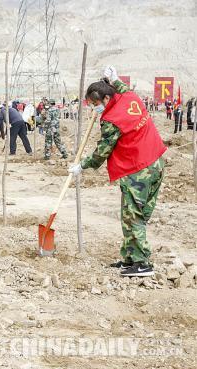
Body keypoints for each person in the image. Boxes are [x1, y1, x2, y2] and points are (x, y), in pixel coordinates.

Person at [68, 66, 166, 277]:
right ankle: (130, 258)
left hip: (139, 169)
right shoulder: (128, 96)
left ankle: (142, 263)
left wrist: (82, 166)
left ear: (104, 99)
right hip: (156, 161)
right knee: (133, 213)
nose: (94, 109)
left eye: (94, 105)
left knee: (133, 215)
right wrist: (114, 78)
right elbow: (121, 87)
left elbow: (102, 152)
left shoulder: (112, 120)